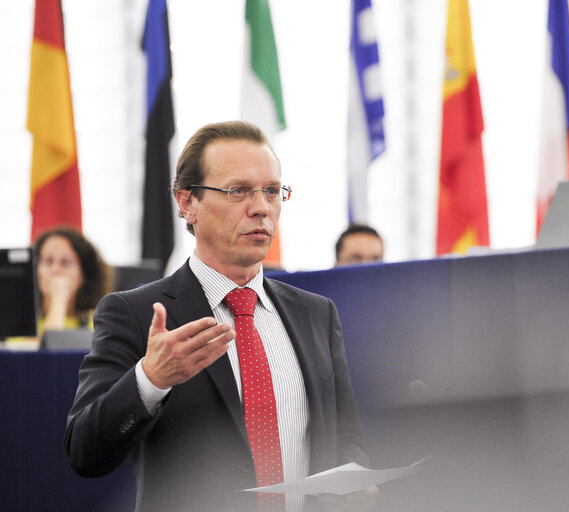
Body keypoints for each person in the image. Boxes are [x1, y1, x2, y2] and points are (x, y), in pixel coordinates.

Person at [65, 121, 377, 512]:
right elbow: (84, 453)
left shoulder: (315, 313)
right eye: (238, 191)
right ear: (187, 203)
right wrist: (150, 379)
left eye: (272, 191)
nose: (262, 207)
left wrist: (357, 477)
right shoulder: (134, 313)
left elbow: (346, 434)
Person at [35, 227, 112, 333]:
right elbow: (42, 348)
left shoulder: (101, 320)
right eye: (48, 261)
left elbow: (55, 344)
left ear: (84, 273)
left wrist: (59, 298)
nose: (55, 270)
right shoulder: (22, 318)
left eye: (65, 262)